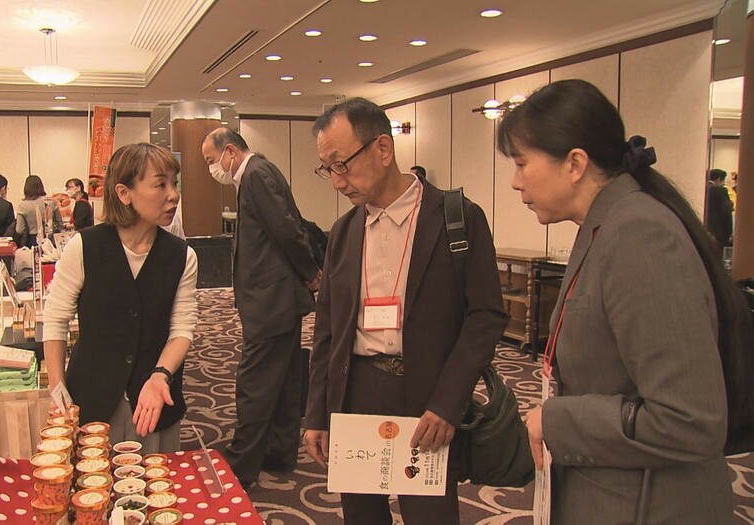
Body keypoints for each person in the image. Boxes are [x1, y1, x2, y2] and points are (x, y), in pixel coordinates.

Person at [498, 79, 740, 523]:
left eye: (521, 163)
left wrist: (557, 420)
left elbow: (691, 418)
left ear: (574, 163)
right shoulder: (605, 224)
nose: (515, 182)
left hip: (649, 504)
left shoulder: (639, 234)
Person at [305, 97, 507, 524]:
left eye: (342, 163)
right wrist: (317, 414)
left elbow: (485, 316)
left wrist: (449, 401)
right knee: (361, 515)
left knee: (429, 516)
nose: (337, 181)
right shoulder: (343, 232)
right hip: (356, 391)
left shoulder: (458, 219)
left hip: (427, 395)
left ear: (383, 148)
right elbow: (326, 332)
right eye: (328, 169)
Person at [42, 143, 198, 450]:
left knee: (156, 488)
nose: (173, 195)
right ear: (124, 193)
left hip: (154, 402)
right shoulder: (85, 247)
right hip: (92, 399)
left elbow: (182, 329)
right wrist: (57, 389)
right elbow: (56, 319)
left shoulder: (182, 255)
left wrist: (160, 376)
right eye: (160, 184)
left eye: (174, 184)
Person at [201, 127, 321, 487]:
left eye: (212, 160)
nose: (212, 169)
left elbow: (287, 229)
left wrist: (311, 272)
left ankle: (242, 462)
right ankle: (280, 452)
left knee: (254, 381)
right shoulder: (258, 173)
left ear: (231, 151)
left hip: (271, 300)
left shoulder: (254, 175)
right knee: (284, 379)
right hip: (276, 298)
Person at [16, 175, 63, 247]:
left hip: (31, 240)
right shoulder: (50, 202)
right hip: (49, 239)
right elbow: (60, 224)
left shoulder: (23, 206)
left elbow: (19, 230)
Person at [705, 168, 734, 250]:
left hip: (705, 231)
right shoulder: (721, 191)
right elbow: (726, 212)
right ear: (719, 179)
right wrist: (729, 233)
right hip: (719, 233)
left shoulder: (702, 188)